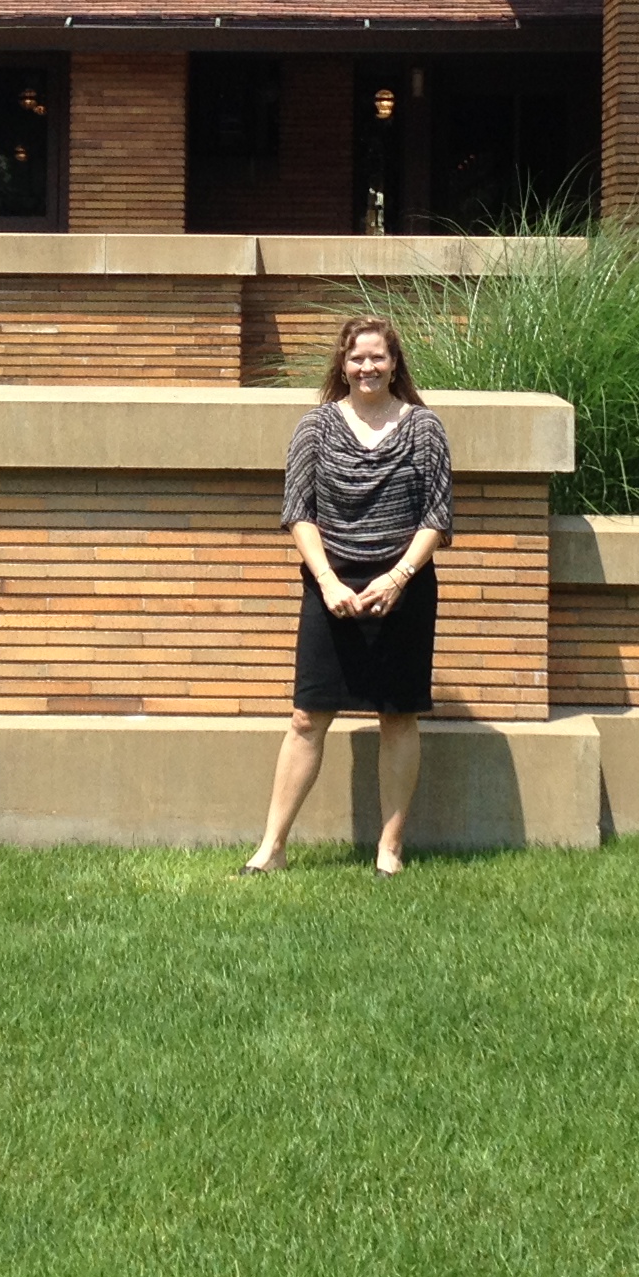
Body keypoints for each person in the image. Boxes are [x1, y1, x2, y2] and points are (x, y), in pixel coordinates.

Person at [242, 314, 450, 876]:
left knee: (398, 716)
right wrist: (329, 581)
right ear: (342, 363)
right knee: (307, 718)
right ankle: (272, 849)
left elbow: (436, 516)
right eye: (357, 358)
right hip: (329, 585)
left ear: (394, 363)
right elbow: (298, 513)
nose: (367, 367)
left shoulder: (424, 428)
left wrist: (398, 577)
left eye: (377, 357)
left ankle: (389, 850)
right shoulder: (315, 427)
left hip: (402, 586)